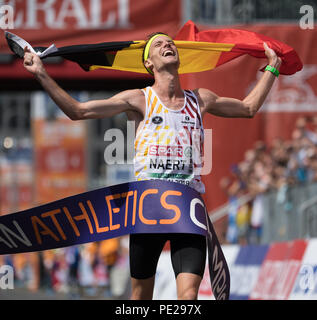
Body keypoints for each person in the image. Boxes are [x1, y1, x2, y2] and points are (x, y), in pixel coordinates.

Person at [23, 32, 281, 300]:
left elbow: (248, 108)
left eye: (170, 42)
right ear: (149, 64)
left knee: (189, 296)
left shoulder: (201, 99)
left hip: (187, 208)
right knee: (140, 297)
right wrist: (41, 73)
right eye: (159, 44)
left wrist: (273, 66)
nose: (167, 45)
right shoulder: (139, 99)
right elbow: (79, 111)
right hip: (148, 207)